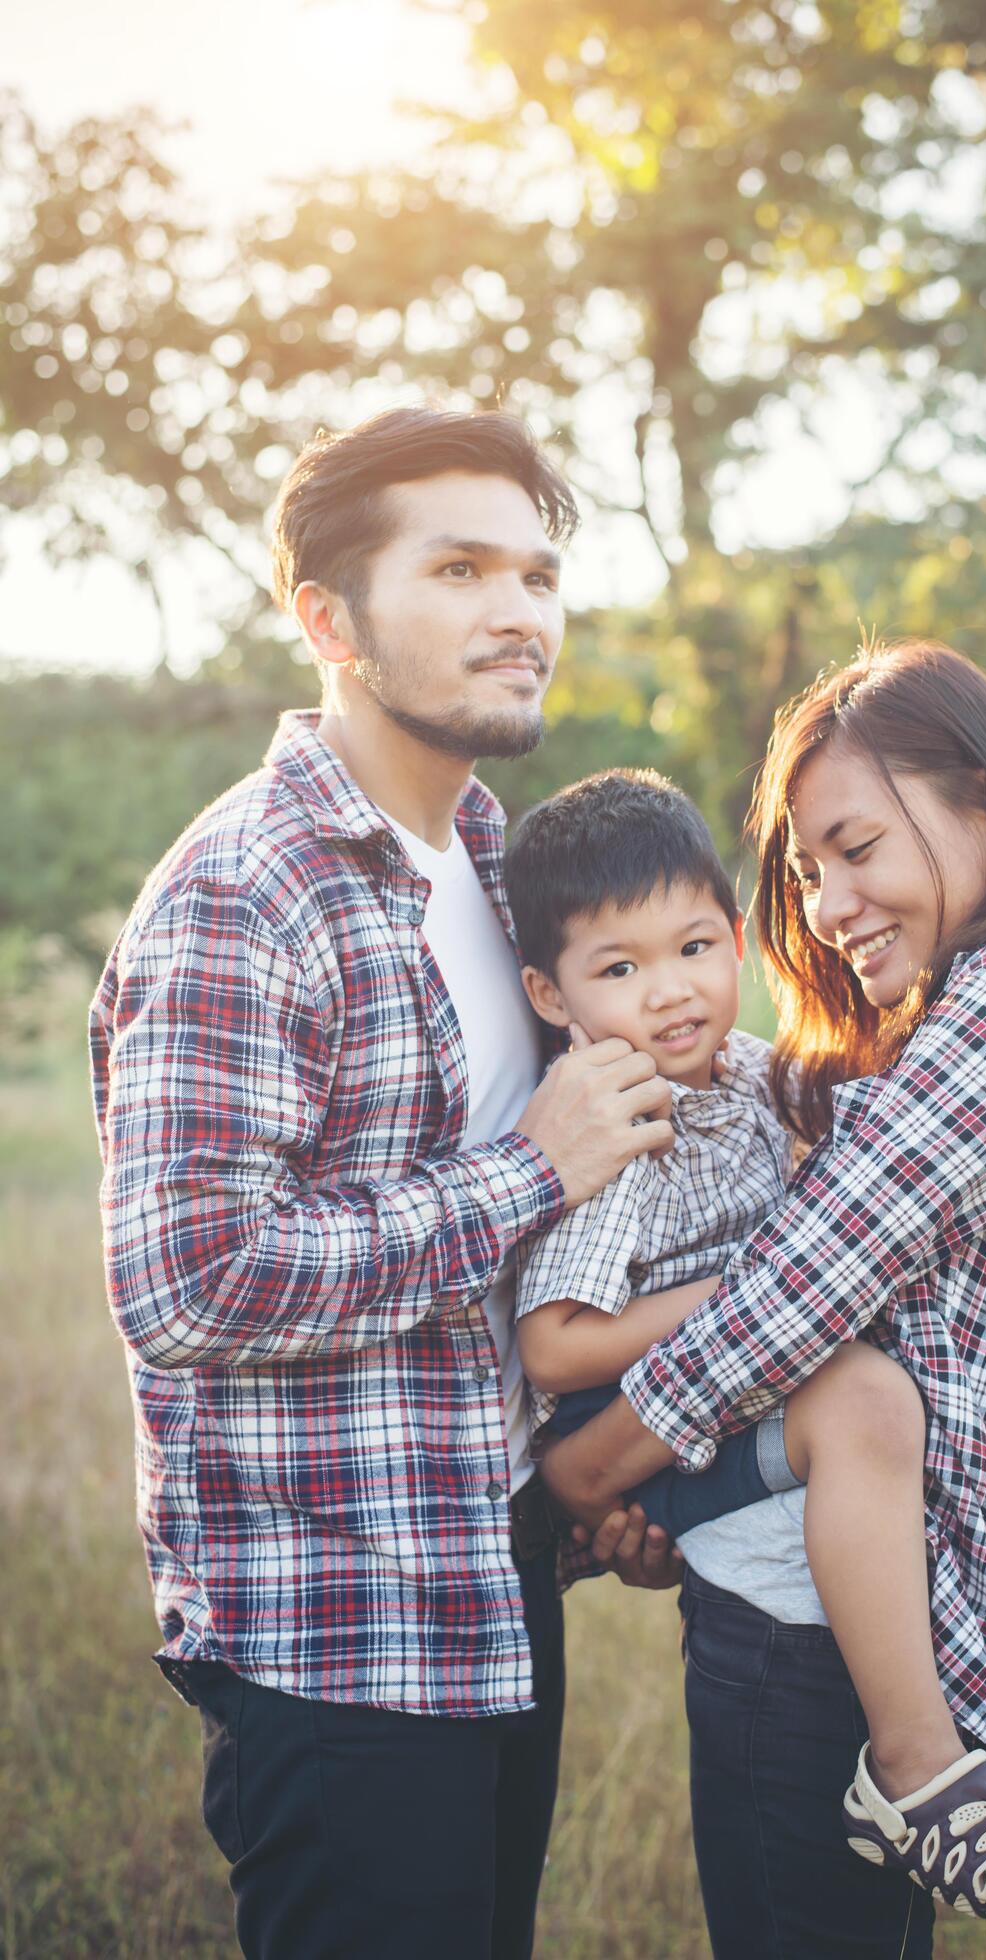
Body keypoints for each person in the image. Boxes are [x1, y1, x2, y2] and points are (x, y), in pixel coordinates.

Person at [89, 405, 684, 1960]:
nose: (521, 614)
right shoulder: (245, 892)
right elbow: (192, 1281)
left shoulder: (506, 875)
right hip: (329, 1630)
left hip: (490, 1572)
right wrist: (522, 1170)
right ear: (327, 619)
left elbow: (533, 1258)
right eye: (463, 567)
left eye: (542, 574)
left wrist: (592, 1471)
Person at [540, 640, 986, 1954]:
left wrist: (589, 1477)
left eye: (855, 847)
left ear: (984, 806)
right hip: (811, 1620)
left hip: (826, 1639)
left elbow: (800, 1294)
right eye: (807, 870)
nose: (827, 905)